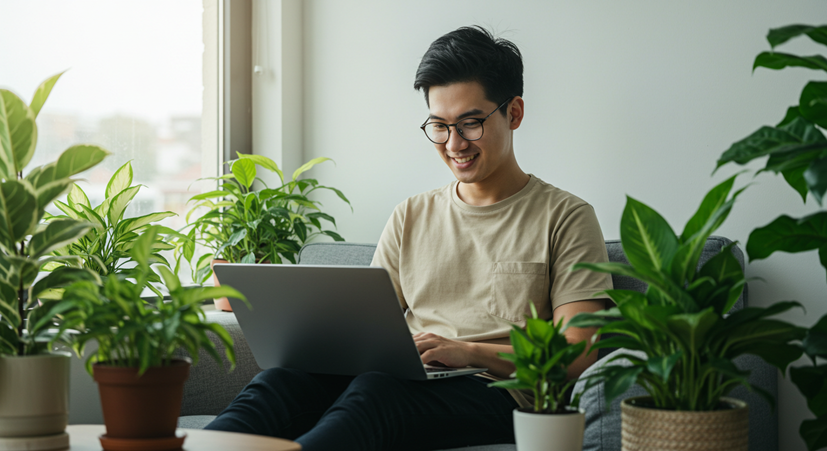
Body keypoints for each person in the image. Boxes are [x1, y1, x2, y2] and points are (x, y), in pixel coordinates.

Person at [205, 25, 613, 451]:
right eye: (439, 125)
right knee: (279, 384)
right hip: (405, 377)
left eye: (471, 124)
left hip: (498, 394)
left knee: (376, 395)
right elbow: (363, 328)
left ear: (514, 113)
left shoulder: (566, 217)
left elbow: (576, 356)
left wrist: (468, 352)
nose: (454, 144)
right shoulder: (411, 215)